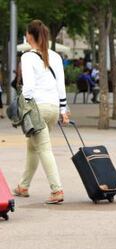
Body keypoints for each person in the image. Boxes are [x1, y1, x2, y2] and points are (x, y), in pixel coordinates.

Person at [14, 19, 70, 204]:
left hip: (37, 109)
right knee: (34, 148)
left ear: (29, 36)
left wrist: (25, 102)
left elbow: (28, 86)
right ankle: (23, 186)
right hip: (53, 108)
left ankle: (57, 190)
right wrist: (63, 109)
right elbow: (60, 85)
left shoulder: (27, 56)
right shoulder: (55, 56)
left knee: (44, 149)